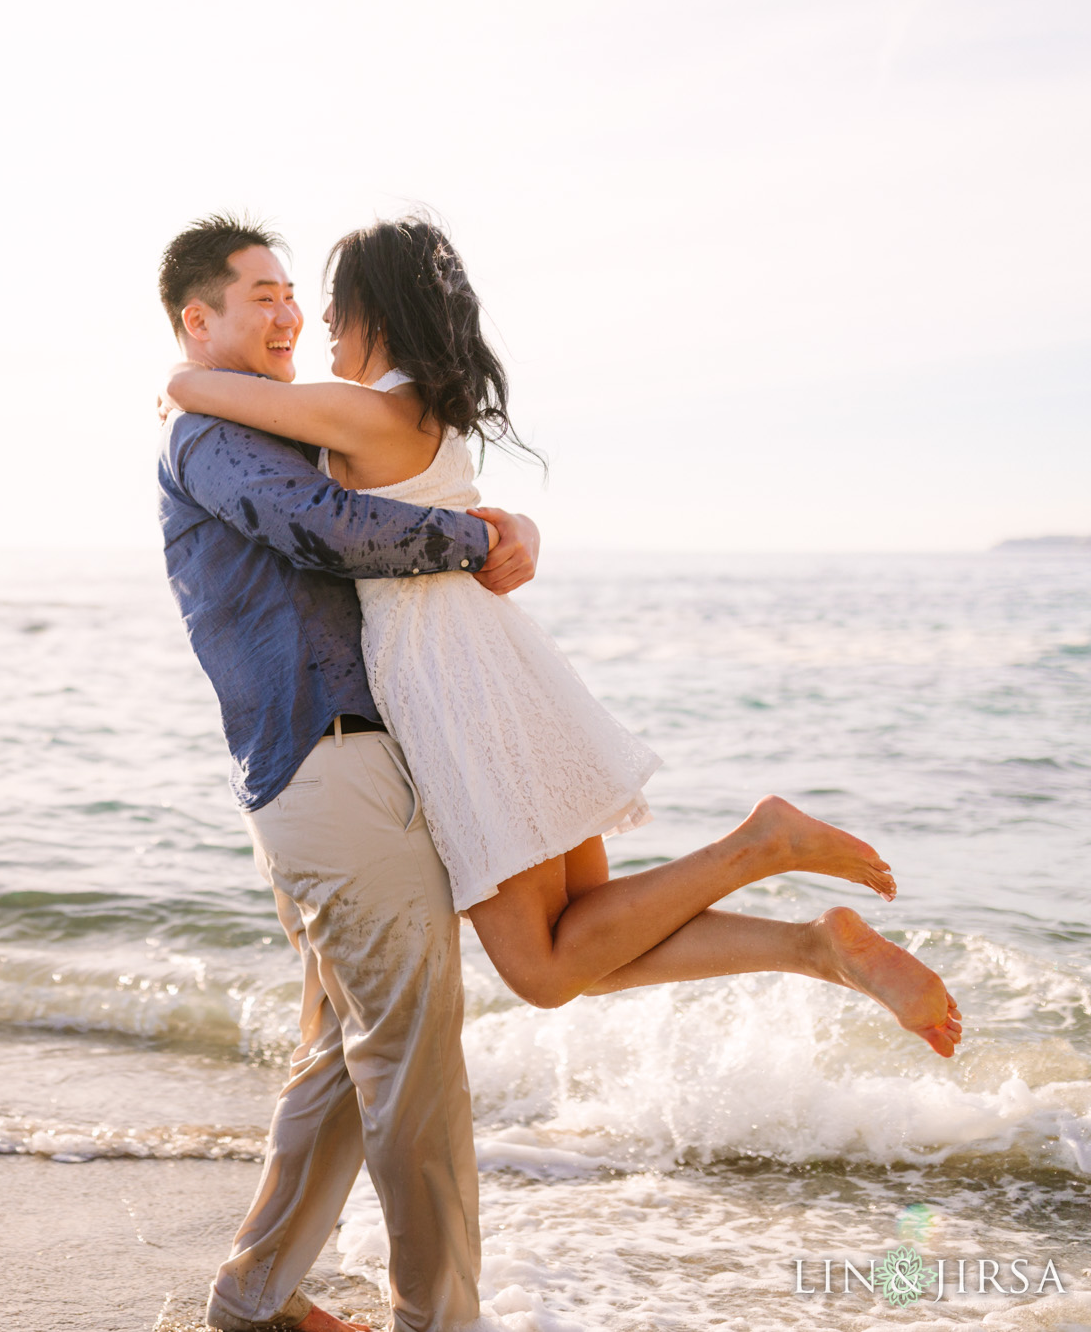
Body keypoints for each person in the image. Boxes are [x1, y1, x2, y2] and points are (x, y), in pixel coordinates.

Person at [154, 214, 957, 1332]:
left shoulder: (319, 410)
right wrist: (490, 532)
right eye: (266, 298)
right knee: (529, 966)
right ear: (200, 315)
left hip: (445, 705)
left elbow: (318, 499)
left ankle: (757, 856)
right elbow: (328, 523)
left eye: (312, 299)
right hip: (455, 701)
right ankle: (802, 942)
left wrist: (187, 377)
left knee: (517, 979)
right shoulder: (298, 425)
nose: (301, 319)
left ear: (368, 312)